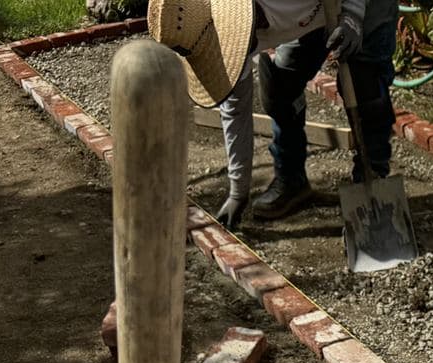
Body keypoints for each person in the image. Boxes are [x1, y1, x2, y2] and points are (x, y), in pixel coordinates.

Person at [148, 0, 399, 226]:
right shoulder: (209, 32)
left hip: (367, 6)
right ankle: (292, 180)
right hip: (309, 12)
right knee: (279, 86)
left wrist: (353, 15)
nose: (234, 50)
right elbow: (235, 110)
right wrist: (238, 192)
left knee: (365, 89)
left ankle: (371, 183)